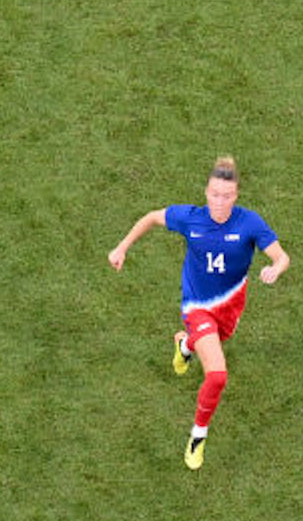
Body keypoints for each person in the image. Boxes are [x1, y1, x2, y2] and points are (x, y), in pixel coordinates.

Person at [109, 156, 291, 470]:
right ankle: (198, 435)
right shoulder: (190, 218)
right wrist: (122, 247)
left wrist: (276, 268)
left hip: (229, 309)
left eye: (227, 196)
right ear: (206, 192)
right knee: (217, 374)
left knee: (212, 342)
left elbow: (281, 255)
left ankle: (184, 345)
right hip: (196, 307)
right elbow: (152, 217)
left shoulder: (249, 223)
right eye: (214, 194)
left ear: (236, 197)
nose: (220, 202)